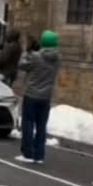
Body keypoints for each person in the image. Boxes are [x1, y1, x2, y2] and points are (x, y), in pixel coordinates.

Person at [18, 30, 61, 164]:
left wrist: (26, 52)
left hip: (31, 94)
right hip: (46, 96)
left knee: (28, 123)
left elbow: (22, 65)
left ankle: (28, 153)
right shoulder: (58, 59)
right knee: (41, 125)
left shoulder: (35, 57)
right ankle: (39, 155)